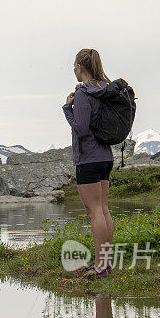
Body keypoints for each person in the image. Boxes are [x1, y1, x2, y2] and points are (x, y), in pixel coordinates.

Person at [63, 48, 115, 279]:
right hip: (105, 157)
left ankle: (99, 266)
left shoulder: (84, 93)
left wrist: (68, 109)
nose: (73, 69)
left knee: (94, 212)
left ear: (80, 67)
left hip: (88, 159)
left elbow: (82, 129)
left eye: (74, 65)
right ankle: (106, 264)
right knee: (103, 210)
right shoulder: (104, 89)